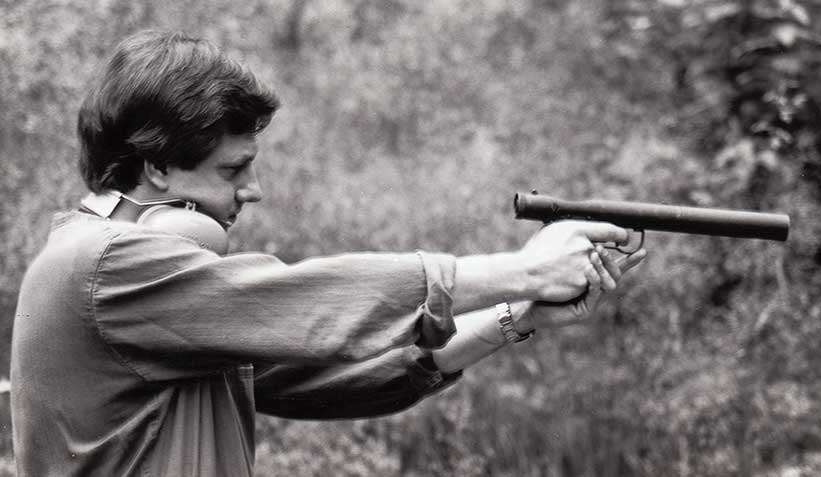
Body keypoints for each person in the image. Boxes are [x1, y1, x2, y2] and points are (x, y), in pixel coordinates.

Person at [10, 30, 647, 476]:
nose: (251, 190)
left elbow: (330, 380)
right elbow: (308, 303)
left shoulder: (147, 294)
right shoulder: (102, 264)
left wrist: (516, 314)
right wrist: (525, 266)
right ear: (158, 168)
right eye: (233, 170)